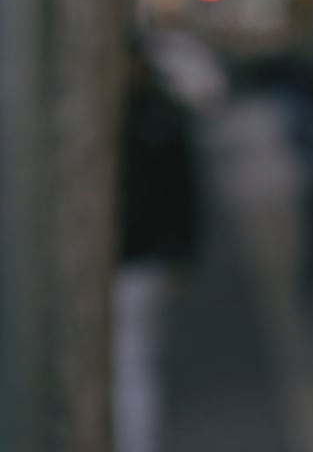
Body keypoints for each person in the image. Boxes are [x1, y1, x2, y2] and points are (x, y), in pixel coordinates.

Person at [114, 34, 203, 452]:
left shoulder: (155, 115)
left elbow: (183, 190)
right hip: (134, 255)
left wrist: (183, 253)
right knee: (134, 358)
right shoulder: (151, 113)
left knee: (134, 359)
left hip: (140, 256)